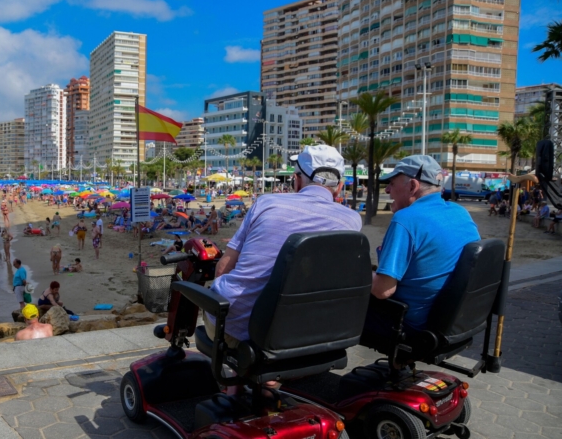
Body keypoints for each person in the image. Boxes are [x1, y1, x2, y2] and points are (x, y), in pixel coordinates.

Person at [204, 145, 361, 349]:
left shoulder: (266, 204)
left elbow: (223, 267)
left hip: (241, 329)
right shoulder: (352, 221)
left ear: (296, 181)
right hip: (307, 332)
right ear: (339, 187)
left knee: (210, 304)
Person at [370, 155, 480, 333]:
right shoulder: (460, 212)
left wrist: (357, 274)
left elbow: (383, 291)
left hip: (411, 323)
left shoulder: (406, 220)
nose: (387, 190)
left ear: (413, 186)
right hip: (454, 319)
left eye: (391, 183)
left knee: (347, 302)